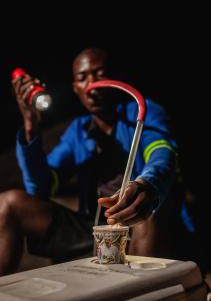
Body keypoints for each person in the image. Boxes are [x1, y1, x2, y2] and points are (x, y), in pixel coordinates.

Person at [0, 48, 196, 276]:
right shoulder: (78, 131)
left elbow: (162, 155)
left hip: (142, 229)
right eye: (82, 78)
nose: (92, 83)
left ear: (115, 78)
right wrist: (31, 126)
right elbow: (40, 188)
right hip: (94, 233)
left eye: (99, 73)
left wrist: (147, 187)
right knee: (8, 203)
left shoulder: (143, 112)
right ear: (76, 89)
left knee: (145, 209)